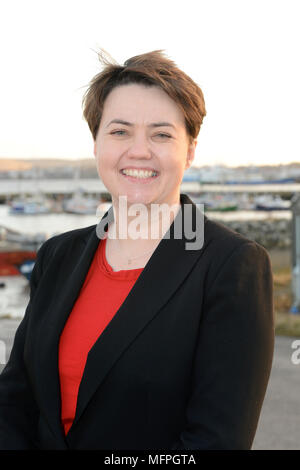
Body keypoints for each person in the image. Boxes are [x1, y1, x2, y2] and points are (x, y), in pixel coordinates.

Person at [0, 50, 274, 450]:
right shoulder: (58, 254)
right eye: (120, 131)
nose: (140, 151)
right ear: (96, 143)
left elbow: (217, 440)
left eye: (161, 134)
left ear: (190, 150)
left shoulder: (232, 265)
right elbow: (14, 399)